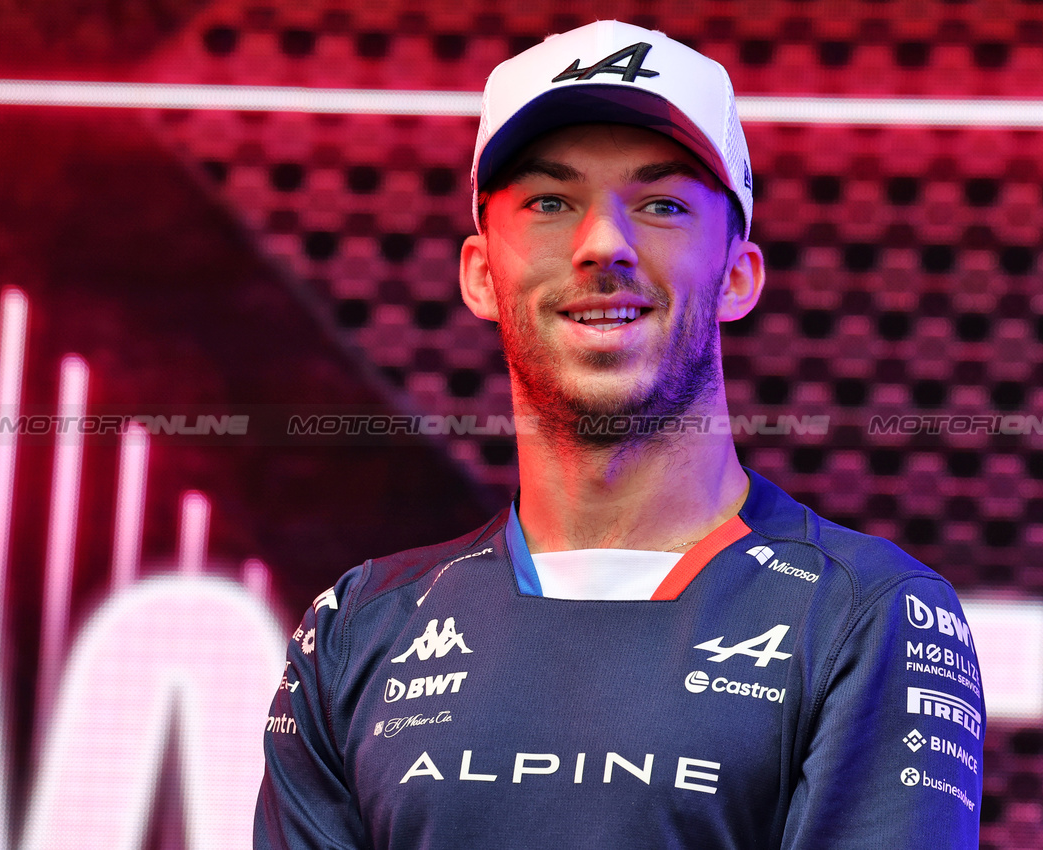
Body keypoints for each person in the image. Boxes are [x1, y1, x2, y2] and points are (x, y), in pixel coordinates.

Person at [255, 20, 984, 848]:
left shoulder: (868, 616)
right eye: (550, 202)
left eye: (661, 204)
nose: (604, 244)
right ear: (481, 274)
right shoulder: (357, 628)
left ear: (738, 274)